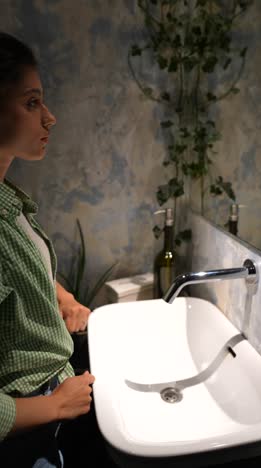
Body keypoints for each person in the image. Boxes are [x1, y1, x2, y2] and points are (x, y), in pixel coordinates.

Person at [0, 32, 95, 467]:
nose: (50, 118)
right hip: (26, 435)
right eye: (32, 103)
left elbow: (18, 266)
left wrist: (63, 297)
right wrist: (55, 405)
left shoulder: (8, 202)